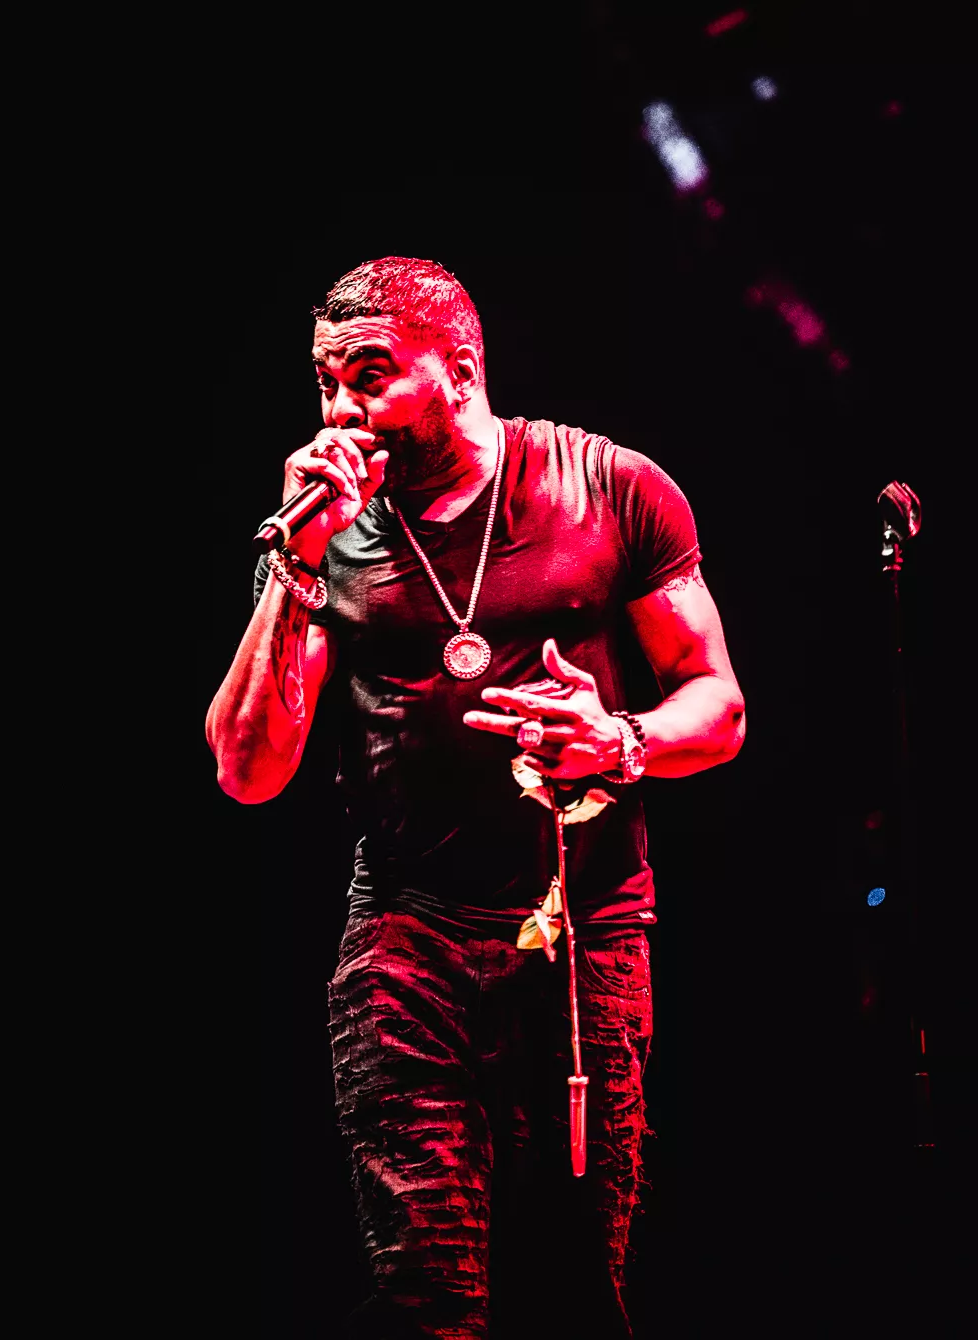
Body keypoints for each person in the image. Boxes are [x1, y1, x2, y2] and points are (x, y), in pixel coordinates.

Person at [207, 256, 745, 1339]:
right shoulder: (325, 537)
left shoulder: (609, 487)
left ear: (459, 371)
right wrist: (295, 566)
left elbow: (718, 708)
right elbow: (247, 769)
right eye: (325, 381)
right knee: (427, 1291)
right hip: (407, 931)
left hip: (584, 928)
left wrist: (620, 740)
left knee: (578, 1286)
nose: (341, 409)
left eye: (370, 375)